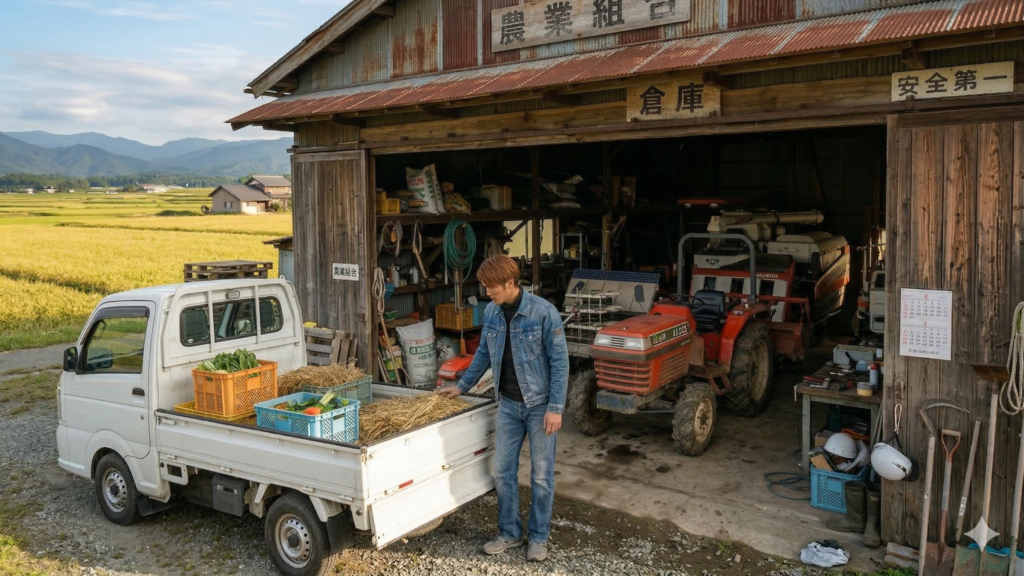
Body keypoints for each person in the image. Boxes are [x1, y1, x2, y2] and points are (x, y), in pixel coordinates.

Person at [437, 254, 568, 562]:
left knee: (541, 476)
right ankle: (509, 533)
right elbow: (483, 352)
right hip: (508, 404)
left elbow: (560, 363)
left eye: (491, 287)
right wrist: (462, 386)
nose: (487, 293)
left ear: (510, 282)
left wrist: (556, 408)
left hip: (539, 406)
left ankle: (538, 537)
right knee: (502, 471)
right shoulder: (494, 312)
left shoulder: (543, 313)